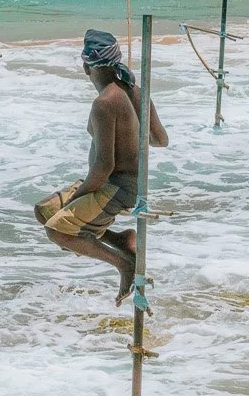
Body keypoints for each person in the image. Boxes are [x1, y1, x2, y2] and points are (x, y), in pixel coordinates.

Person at [34, 29, 168, 301]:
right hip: (121, 183)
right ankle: (120, 240)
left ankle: (123, 264)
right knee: (44, 210)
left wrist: (79, 196)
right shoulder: (134, 92)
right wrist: (131, 130)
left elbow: (104, 165)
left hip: (116, 187)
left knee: (57, 230)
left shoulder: (105, 102)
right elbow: (160, 139)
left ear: (86, 67)